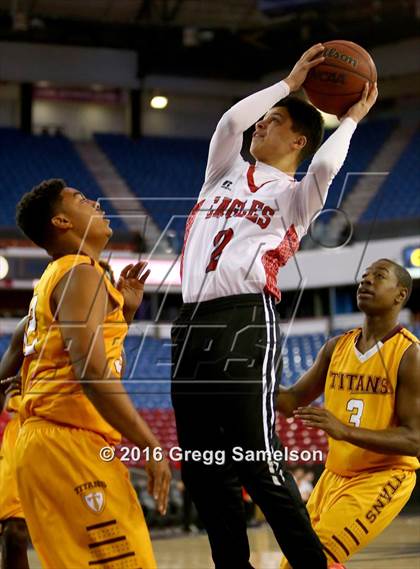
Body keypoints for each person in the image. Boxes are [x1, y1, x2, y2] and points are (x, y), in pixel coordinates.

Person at [172, 42, 377, 569]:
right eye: (262, 119)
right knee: (202, 466)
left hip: (244, 318)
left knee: (256, 458)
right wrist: (286, 85)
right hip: (189, 321)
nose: (260, 125)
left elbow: (327, 166)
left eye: (275, 120)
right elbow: (226, 124)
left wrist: (349, 119)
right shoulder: (221, 172)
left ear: (299, 139)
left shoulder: (295, 195)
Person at [14, 180, 171, 568]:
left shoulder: (58, 276)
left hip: (49, 443)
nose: (96, 201)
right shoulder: (81, 274)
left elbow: (22, 350)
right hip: (67, 443)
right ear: (62, 220)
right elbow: (90, 369)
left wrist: (123, 314)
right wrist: (150, 443)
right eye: (81, 199)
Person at [277, 258, 420, 568]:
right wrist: (248, 383)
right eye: (364, 277)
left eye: (378, 277)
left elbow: (415, 439)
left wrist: (343, 430)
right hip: (333, 476)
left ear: (401, 295)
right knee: (296, 560)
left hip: (381, 477)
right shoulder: (335, 347)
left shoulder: (410, 355)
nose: (365, 281)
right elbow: (290, 401)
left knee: (305, 562)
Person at [0, 318, 29, 569]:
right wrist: (7, 392)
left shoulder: (103, 329)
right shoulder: (29, 326)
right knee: (14, 533)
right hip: (23, 430)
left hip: (77, 433)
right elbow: (1, 387)